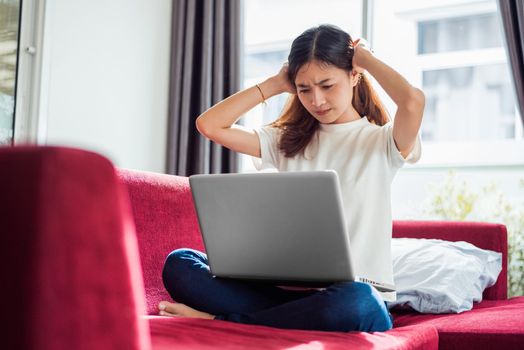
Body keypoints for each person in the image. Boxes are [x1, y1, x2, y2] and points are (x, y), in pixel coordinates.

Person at [158, 24, 424, 332]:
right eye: (304, 89)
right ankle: (283, 319)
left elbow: (413, 102)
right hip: (281, 294)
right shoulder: (286, 140)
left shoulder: (383, 142)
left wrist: (366, 59)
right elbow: (210, 125)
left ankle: (223, 321)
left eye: (327, 85)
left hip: (348, 297)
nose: (317, 101)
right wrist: (272, 84)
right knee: (180, 264)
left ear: (353, 76)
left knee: (359, 299)